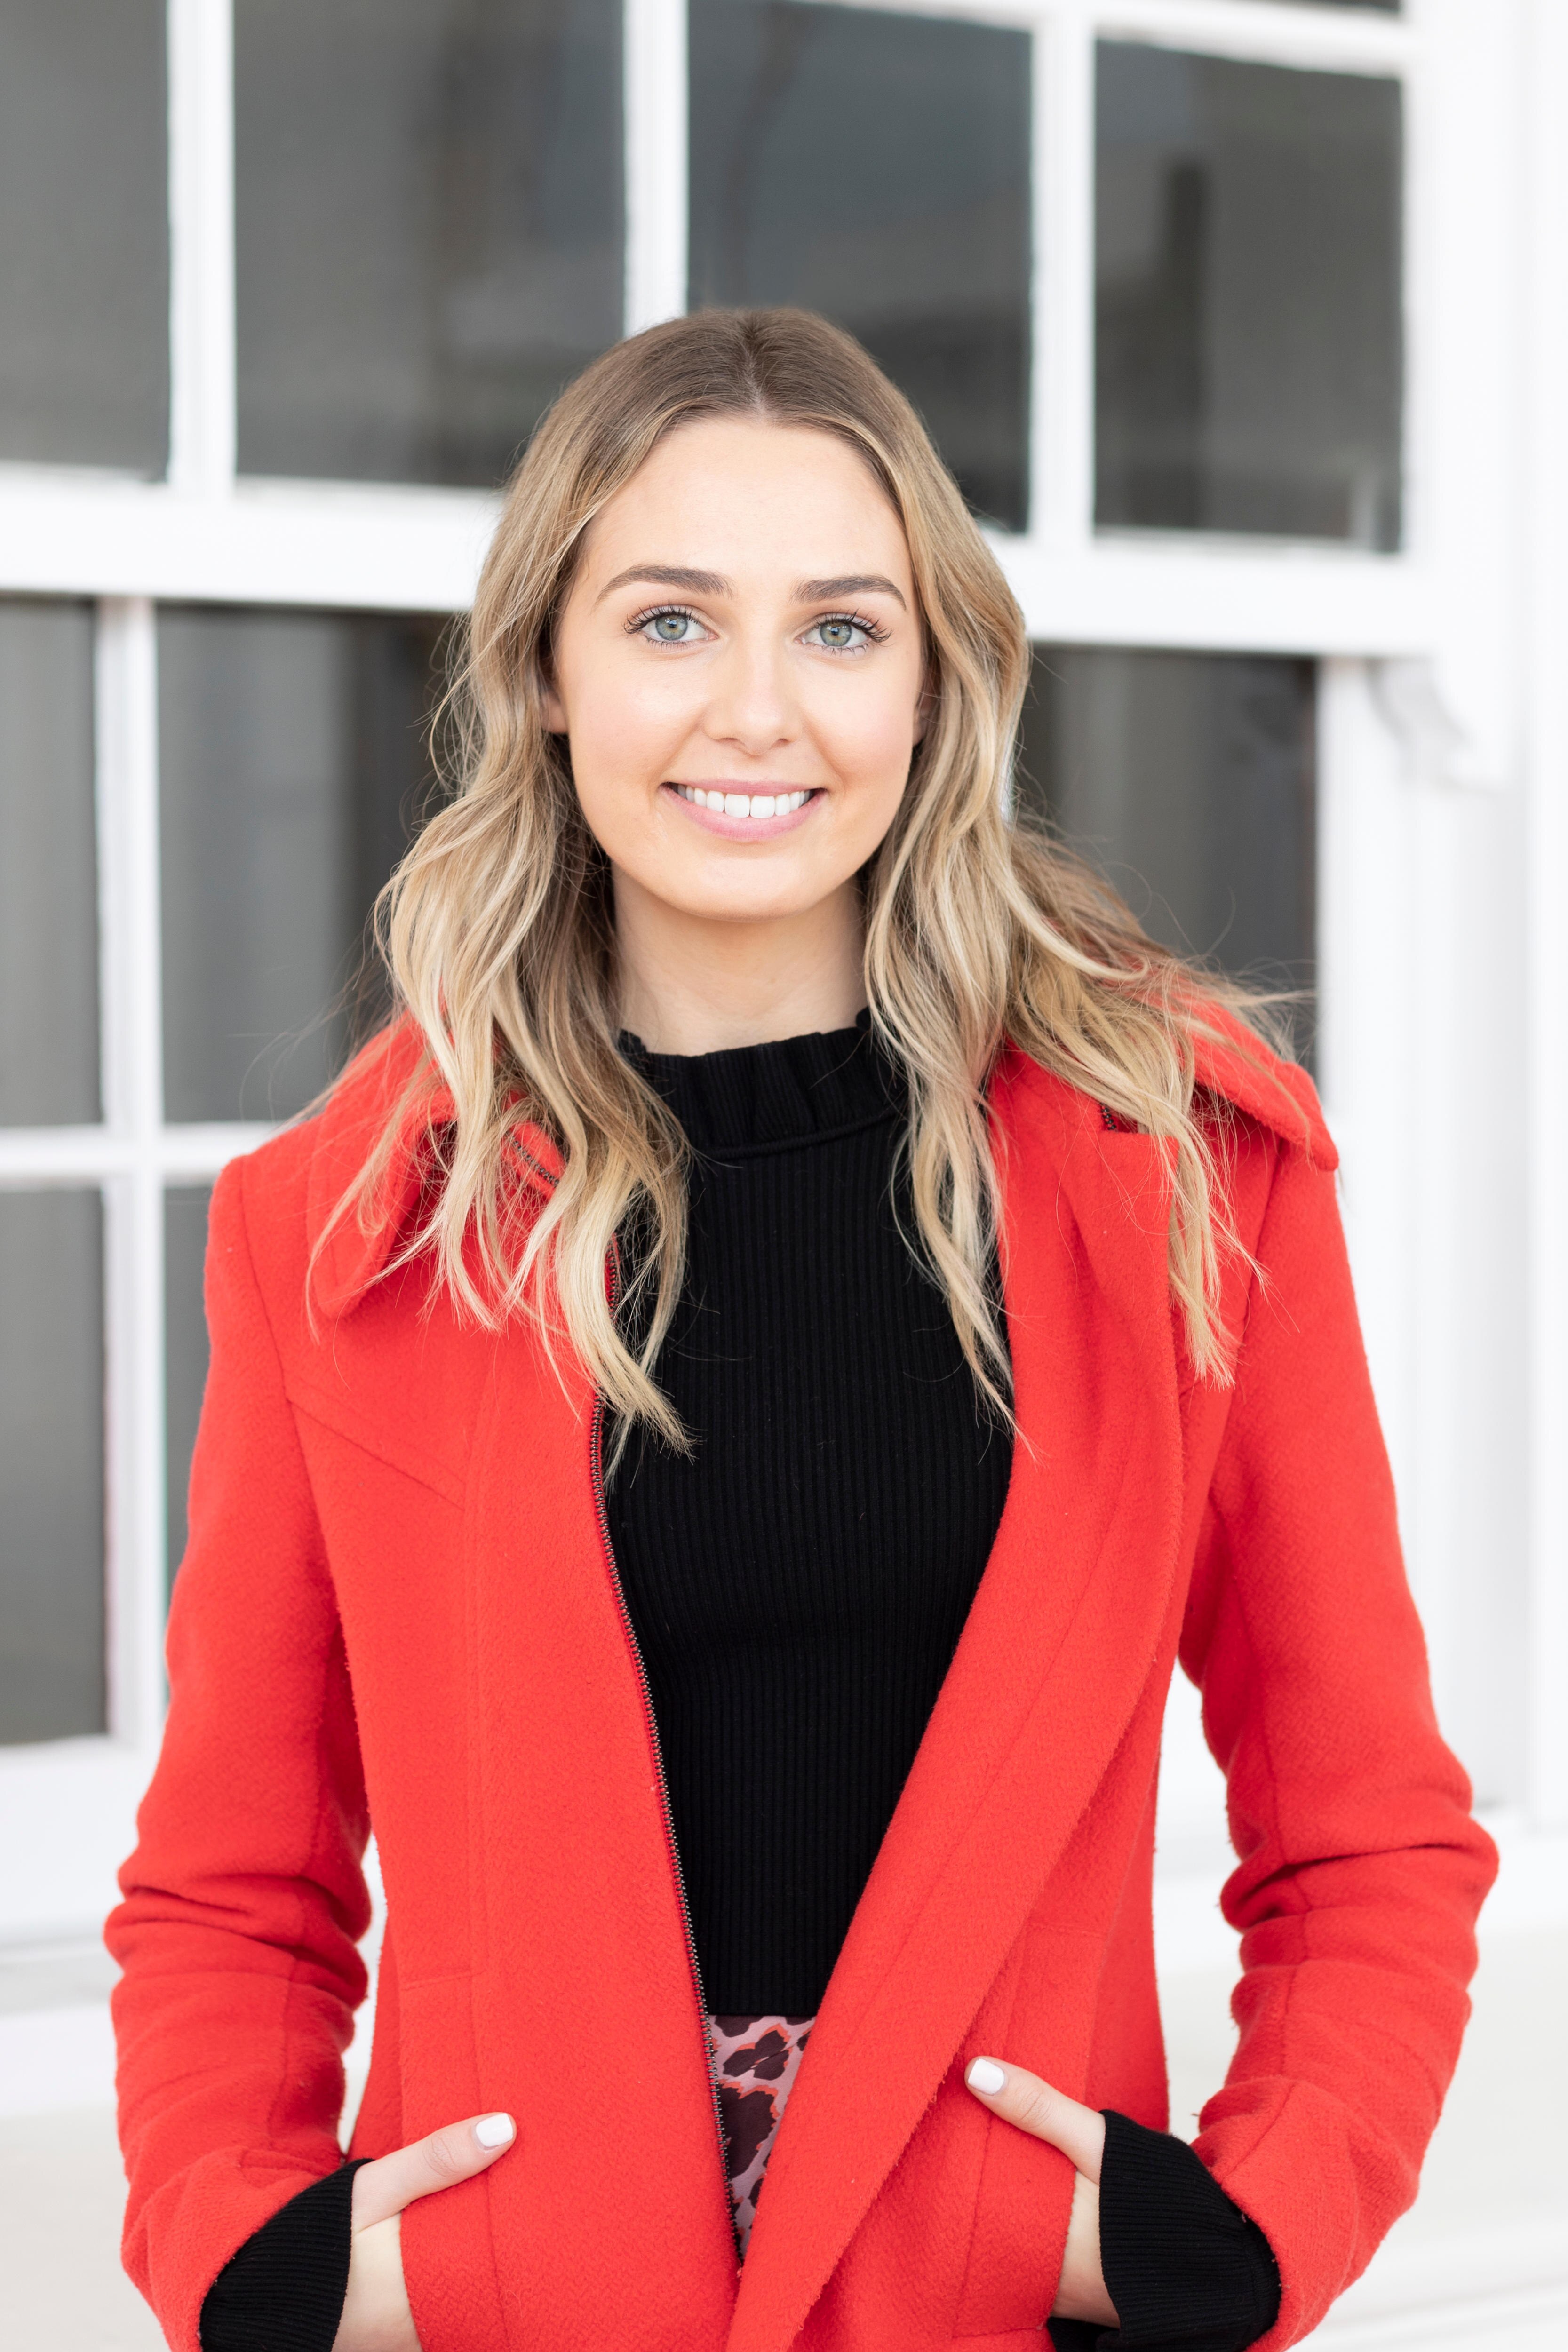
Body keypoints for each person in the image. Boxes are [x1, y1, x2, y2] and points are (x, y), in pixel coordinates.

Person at [108, 309, 1495, 2352]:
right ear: (549, 678)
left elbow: (1369, 1833)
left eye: (842, 629)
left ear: (934, 689)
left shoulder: (1189, 1171)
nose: (758, 710)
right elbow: (234, 1886)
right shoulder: (337, 1232)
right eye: (670, 622)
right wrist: (256, 2259)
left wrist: (1250, 2225)